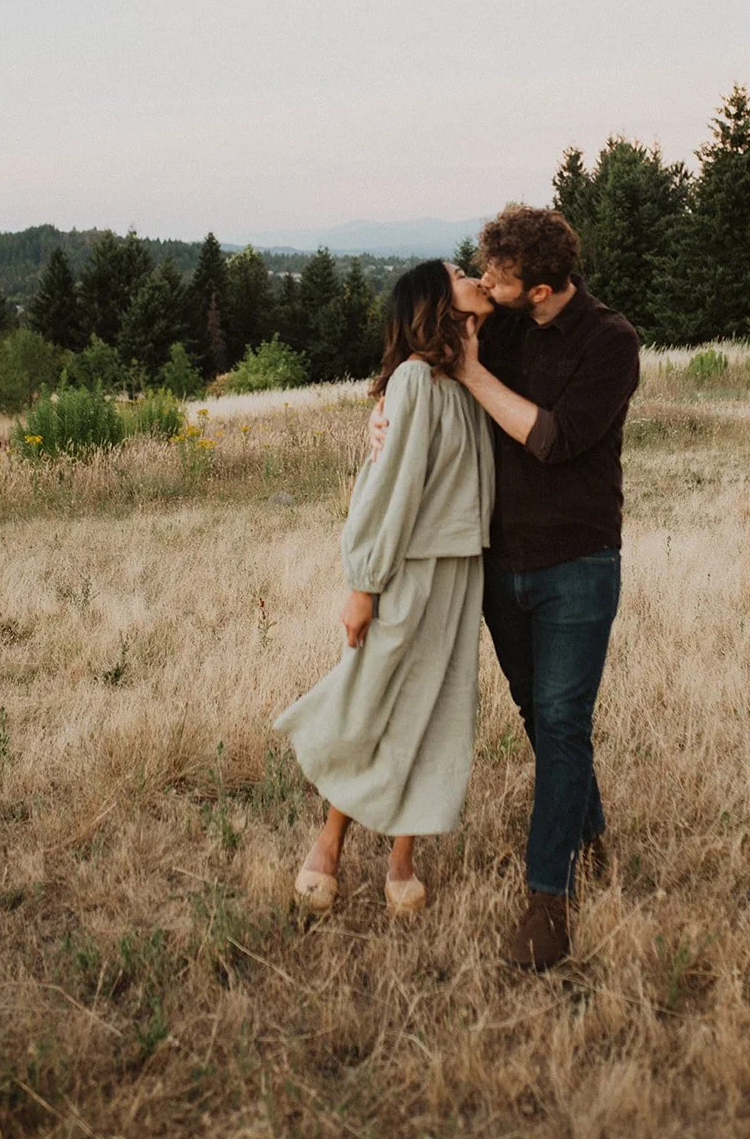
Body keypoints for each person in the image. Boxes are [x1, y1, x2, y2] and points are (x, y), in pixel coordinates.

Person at [373, 205, 639, 968]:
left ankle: (545, 900)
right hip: (496, 563)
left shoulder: (609, 342)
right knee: (536, 711)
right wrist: (386, 413)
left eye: (501, 274)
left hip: (577, 563)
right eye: (484, 268)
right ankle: (585, 832)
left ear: (546, 285)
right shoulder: (504, 325)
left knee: (560, 721)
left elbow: (552, 439)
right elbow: (428, 356)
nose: (485, 281)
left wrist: (474, 373)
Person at [274, 260, 495, 915]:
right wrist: (364, 584)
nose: (476, 274)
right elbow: (389, 489)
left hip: (462, 573)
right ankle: (330, 842)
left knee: (438, 712)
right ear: (432, 300)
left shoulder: (475, 376)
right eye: (460, 273)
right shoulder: (413, 381)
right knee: (374, 699)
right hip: (411, 570)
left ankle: (403, 857)